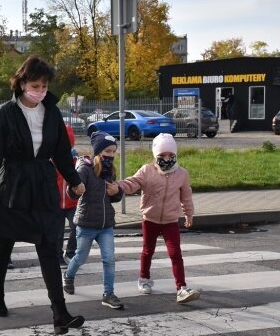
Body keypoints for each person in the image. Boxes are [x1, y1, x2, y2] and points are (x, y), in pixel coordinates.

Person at [0, 55, 86, 334]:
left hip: (44, 188)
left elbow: (62, 153)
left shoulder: (52, 113)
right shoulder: (3, 114)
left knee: (50, 247)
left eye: (44, 86)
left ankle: (60, 313)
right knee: (5, 245)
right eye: (35, 85)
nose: (40, 91)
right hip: (12, 189)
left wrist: (74, 181)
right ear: (22, 83)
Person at [116, 133, 201, 304]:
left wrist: (189, 213)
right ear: (155, 155)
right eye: (162, 155)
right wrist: (118, 186)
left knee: (175, 254)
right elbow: (133, 182)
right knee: (148, 251)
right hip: (150, 219)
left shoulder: (182, 174)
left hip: (171, 221)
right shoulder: (147, 170)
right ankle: (144, 279)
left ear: (175, 155)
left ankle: (181, 288)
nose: (166, 159)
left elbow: (186, 196)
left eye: (170, 155)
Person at [62, 131, 125, 310]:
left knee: (109, 259)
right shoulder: (85, 169)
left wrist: (117, 193)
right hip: (87, 223)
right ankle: (68, 275)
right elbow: (72, 190)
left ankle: (108, 294)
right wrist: (76, 190)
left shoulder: (110, 170)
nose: (111, 155)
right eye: (108, 151)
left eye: (114, 152)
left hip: (105, 225)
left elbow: (113, 197)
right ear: (98, 152)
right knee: (80, 257)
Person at [55, 124, 79, 268]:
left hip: (73, 203)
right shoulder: (51, 161)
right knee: (57, 233)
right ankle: (57, 256)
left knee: (77, 227)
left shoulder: (76, 161)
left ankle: (70, 252)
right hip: (56, 204)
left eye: (68, 145)